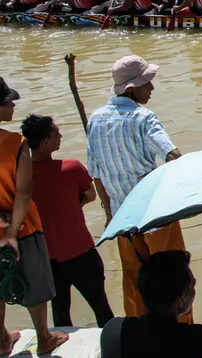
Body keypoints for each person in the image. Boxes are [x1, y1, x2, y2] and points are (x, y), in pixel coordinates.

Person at [86, 56, 190, 319]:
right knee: (177, 280)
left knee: (135, 281)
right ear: (132, 89)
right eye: (147, 84)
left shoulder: (95, 120)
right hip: (157, 215)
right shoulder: (143, 118)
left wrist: (110, 214)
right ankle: (182, 333)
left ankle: (138, 332)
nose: (151, 89)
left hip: (123, 219)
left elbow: (96, 175)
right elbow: (173, 155)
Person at [22, 114, 115, 329]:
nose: (60, 135)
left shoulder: (22, 178)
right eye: (55, 133)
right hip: (81, 252)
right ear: (45, 143)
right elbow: (90, 195)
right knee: (101, 307)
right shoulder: (71, 168)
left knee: (60, 313)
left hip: (47, 257)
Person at [0, 80, 70, 355]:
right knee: (34, 282)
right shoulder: (16, 144)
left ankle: (3, 340)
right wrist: (11, 234)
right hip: (22, 228)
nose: (13, 105)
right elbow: (24, 193)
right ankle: (44, 338)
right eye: (7, 101)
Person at [99, 250, 202, 358]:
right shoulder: (201, 340)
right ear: (180, 301)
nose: (194, 291)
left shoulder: (115, 332)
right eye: (192, 285)